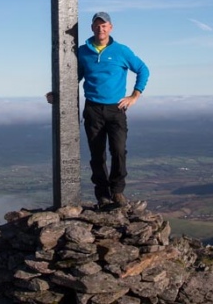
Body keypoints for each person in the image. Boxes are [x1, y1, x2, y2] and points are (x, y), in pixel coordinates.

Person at [47, 11, 149, 208]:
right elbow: (73, 77)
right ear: (92, 27)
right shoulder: (83, 52)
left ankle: (117, 191)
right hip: (93, 108)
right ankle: (102, 195)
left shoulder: (121, 51)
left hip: (116, 109)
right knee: (97, 154)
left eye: (104, 25)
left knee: (118, 151)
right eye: (97, 25)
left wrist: (135, 96)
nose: (100, 28)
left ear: (110, 27)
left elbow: (143, 69)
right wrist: (56, 94)